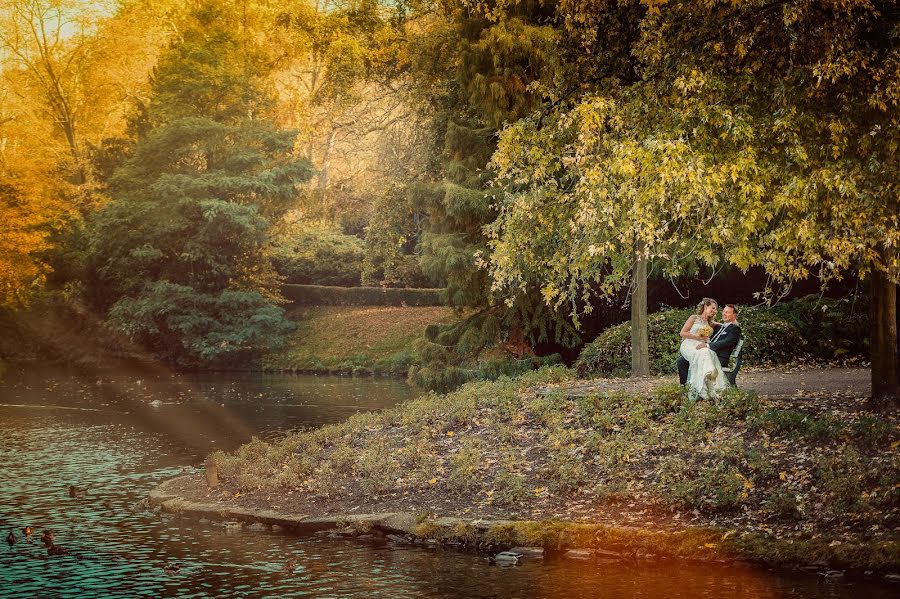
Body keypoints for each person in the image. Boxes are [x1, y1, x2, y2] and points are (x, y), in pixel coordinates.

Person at [677, 303, 742, 385]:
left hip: (719, 356)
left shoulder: (735, 329)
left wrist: (707, 346)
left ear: (734, 315)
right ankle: (685, 386)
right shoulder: (719, 327)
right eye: (724, 311)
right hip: (706, 353)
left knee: (696, 359)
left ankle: (697, 386)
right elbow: (708, 327)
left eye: (728, 312)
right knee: (681, 361)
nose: (724, 314)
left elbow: (726, 342)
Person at [679, 298, 729, 400]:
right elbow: (682, 333)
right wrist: (698, 338)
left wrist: (731, 323)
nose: (715, 311)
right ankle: (705, 380)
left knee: (708, 352)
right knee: (703, 352)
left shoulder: (710, 323)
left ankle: (709, 376)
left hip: (701, 346)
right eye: (713, 308)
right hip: (689, 344)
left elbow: (723, 325)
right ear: (705, 306)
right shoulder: (694, 318)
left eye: (716, 309)